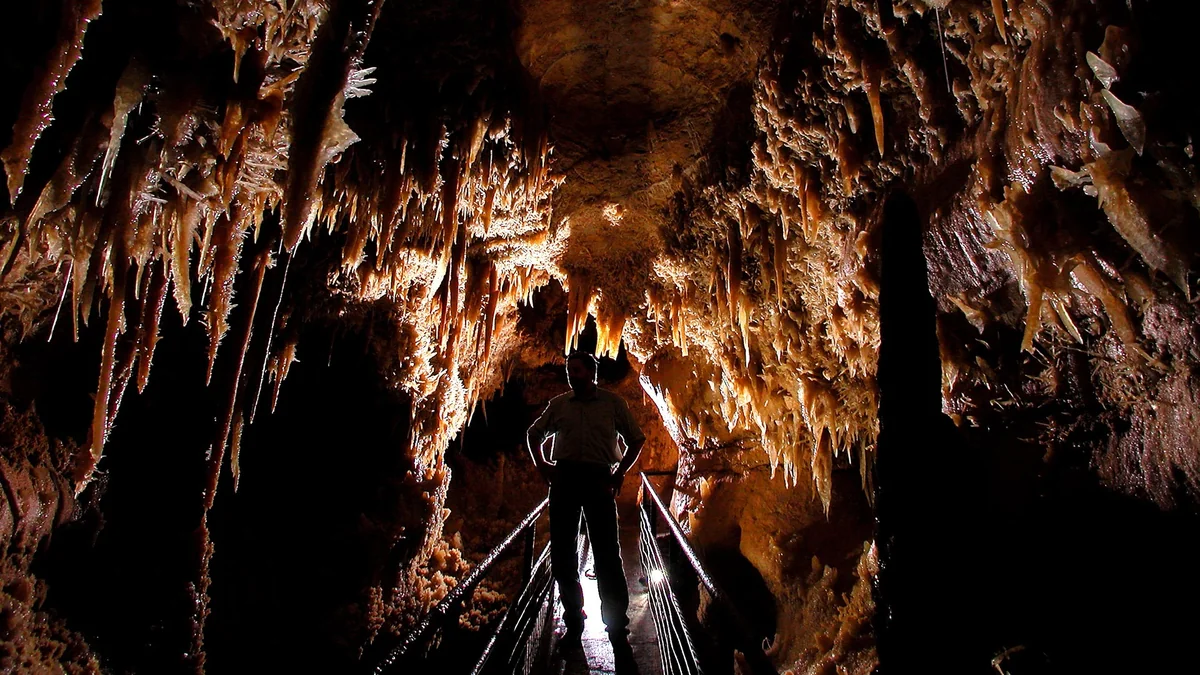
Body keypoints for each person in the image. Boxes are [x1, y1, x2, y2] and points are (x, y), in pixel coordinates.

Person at [526, 351, 645, 671]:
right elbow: (534, 434)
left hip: (598, 479)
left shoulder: (613, 404)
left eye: (576, 371)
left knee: (608, 555)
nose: (571, 375)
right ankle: (574, 622)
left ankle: (617, 632)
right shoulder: (560, 405)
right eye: (569, 370)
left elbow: (636, 439)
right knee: (564, 556)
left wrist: (619, 473)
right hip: (564, 479)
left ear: (591, 374)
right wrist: (543, 467)